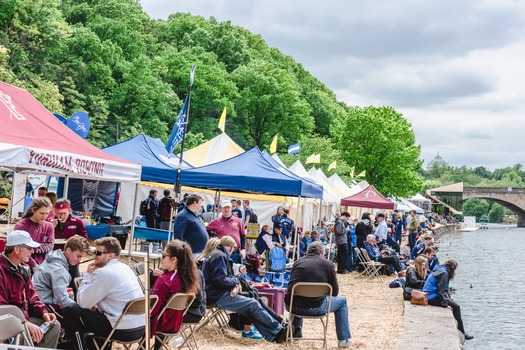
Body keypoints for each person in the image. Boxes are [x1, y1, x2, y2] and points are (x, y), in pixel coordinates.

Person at [62, 237, 145, 350]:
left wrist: (87, 276)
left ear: (111, 255)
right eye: (94, 252)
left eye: (98, 253)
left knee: (69, 309)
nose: (94, 256)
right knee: (97, 314)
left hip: (120, 329)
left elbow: (82, 302)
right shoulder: (126, 268)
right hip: (140, 328)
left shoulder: (103, 272)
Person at [202, 236, 287, 343]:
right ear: (231, 248)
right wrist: (236, 282)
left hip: (214, 295)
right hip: (217, 296)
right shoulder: (220, 256)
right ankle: (277, 330)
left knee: (251, 300)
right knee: (252, 304)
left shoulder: (215, 254)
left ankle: (275, 332)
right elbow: (220, 280)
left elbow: (219, 279)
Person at [285, 241, 352, 348]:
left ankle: (295, 333)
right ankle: (343, 339)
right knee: (342, 301)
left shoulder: (297, 262)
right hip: (316, 307)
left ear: (308, 252)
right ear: (322, 253)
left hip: (293, 306)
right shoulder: (328, 264)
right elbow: (334, 292)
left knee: (298, 295)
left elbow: (290, 287)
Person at [0, 230, 60, 348]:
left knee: (54, 325)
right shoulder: (2, 271)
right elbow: (2, 309)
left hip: (20, 319)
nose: (32, 251)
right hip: (6, 322)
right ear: (16, 249)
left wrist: (44, 312)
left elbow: (32, 297)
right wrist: (24, 323)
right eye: (29, 248)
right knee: (24, 331)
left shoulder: (23, 269)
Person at [150, 240, 200, 350]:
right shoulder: (187, 278)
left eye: (164, 256)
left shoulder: (164, 280)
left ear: (174, 259)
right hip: (174, 323)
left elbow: (152, 309)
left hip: (159, 324)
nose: (161, 258)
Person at [32, 235, 91, 310]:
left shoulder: (54, 257)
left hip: (38, 299)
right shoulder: (59, 270)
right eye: (78, 256)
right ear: (68, 250)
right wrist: (81, 310)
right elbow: (62, 300)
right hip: (44, 304)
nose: (79, 261)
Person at [422, 260, 473, 340]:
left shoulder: (439, 270)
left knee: (453, 303)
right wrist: (445, 304)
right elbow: (442, 291)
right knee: (456, 307)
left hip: (428, 294)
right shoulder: (444, 274)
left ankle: (462, 331)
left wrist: (449, 299)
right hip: (431, 297)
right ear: (452, 268)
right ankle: (462, 332)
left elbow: (444, 289)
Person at [14, 197, 54, 268]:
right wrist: (33, 264)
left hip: (44, 264)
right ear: (33, 210)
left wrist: (31, 248)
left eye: (47, 213)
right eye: (41, 213)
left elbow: (50, 246)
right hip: (24, 265)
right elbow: (20, 249)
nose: (44, 216)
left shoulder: (49, 226)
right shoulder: (21, 225)